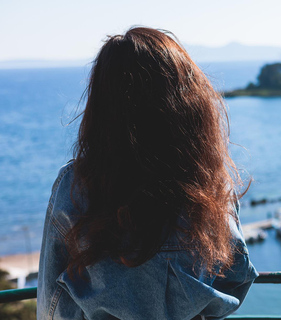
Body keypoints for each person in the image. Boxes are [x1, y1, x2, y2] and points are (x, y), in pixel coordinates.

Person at [37, 27, 257, 320]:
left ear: (103, 104)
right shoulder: (211, 185)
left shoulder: (77, 186)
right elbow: (237, 275)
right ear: (190, 103)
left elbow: (52, 301)